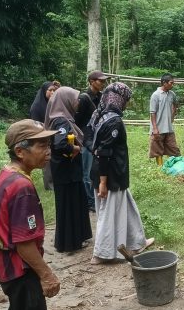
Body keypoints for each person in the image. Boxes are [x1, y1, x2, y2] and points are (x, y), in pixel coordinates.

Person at [0, 119, 61, 310]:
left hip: (7, 266)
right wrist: (47, 275)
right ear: (20, 151)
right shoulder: (21, 188)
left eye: (48, 144)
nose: (48, 151)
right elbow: (24, 244)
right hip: (21, 270)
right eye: (41, 145)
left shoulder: (6, 175)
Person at [89, 82, 154, 264]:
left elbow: (90, 141)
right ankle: (101, 254)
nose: (127, 103)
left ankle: (137, 242)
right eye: (126, 99)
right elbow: (104, 152)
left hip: (102, 171)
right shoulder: (114, 121)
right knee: (108, 213)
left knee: (127, 208)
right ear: (119, 99)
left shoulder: (100, 115)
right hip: (111, 174)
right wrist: (103, 182)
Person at [45, 87, 93, 253]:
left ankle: (74, 239)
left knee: (72, 205)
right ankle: (68, 243)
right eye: (75, 99)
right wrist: (75, 149)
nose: (78, 102)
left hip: (67, 171)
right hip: (67, 172)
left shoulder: (62, 119)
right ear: (65, 100)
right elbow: (60, 144)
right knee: (68, 207)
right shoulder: (61, 121)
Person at [76, 71, 108, 213]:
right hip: (86, 140)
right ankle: (89, 201)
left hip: (98, 138)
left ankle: (94, 197)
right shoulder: (83, 98)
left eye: (104, 81)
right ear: (92, 81)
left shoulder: (101, 97)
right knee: (87, 171)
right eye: (100, 81)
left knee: (96, 169)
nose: (103, 83)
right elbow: (77, 121)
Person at [31, 81, 61, 191]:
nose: (53, 92)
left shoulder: (53, 103)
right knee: (47, 160)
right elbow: (35, 124)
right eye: (50, 90)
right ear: (44, 91)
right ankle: (49, 184)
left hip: (54, 134)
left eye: (54, 90)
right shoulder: (37, 106)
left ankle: (56, 181)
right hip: (43, 135)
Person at [149, 73, 180, 166]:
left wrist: (172, 116)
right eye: (171, 83)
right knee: (157, 150)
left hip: (169, 128)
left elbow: (175, 105)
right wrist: (155, 128)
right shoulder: (156, 95)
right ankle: (160, 168)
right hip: (158, 127)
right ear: (164, 83)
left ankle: (174, 167)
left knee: (173, 148)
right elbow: (152, 112)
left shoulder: (172, 94)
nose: (172, 85)